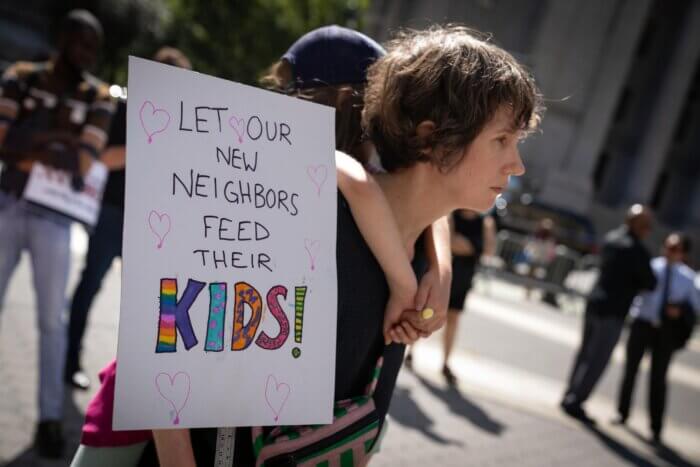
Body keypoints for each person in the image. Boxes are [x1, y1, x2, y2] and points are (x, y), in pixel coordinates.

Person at [151, 24, 542, 466]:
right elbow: (170, 345)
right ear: (433, 138)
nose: (518, 165)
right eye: (502, 140)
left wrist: (438, 269)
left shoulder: (419, 260)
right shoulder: (306, 222)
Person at [70, 29, 452, 466]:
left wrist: (441, 270)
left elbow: (432, 206)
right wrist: (412, 281)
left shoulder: (369, 190)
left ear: (342, 98)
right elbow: (162, 316)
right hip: (152, 406)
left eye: (290, 87)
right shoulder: (250, 167)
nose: (278, 98)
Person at [0, 10, 113, 458]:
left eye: (93, 47)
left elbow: (81, 163)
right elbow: (2, 143)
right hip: (7, 203)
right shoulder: (21, 76)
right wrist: (57, 142)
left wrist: (32, 140)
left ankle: (49, 417)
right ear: (62, 39)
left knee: (51, 321)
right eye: (79, 42)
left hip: (54, 219)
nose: (85, 54)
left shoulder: (99, 95)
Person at [65, 47, 193, 391]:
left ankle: (130, 383)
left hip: (153, 223)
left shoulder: (183, 122)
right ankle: (69, 360)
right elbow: (102, 158)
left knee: (149, 304)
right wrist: (148, 142)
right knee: (90, 285)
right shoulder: (124, 111)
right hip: (113, 214)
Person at [561, 204, 657, 424]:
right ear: (639, 226)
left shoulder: (612, 239)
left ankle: (569, 394)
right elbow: (650, 282)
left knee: (584, 353)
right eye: (646, 226)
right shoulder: (637, 250)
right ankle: (576, 400)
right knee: (598, 359)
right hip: (613, 311)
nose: (649, 230)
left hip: (595, 303)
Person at [614, 232, 700, 445]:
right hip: (642, 324)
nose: (670, 252)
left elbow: (695, 306)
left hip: (666, 332)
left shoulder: (688, 278)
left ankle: (656, 427)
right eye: (668, 247)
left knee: (658, 378)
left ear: (683, 253)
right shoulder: (652, 267)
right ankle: (622, 413)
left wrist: (679, 310)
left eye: (675, 249)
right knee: (630, 370)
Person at [405, 209, 496, 385]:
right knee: (427, 313)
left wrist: (463, 244)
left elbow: (489, 250)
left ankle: (446, 362)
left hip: (463, 278)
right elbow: (450, 243)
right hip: (443, 276)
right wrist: (471, 246)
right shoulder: (450, 214)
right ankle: (410, 351)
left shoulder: (486, 222)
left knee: (453, 320)